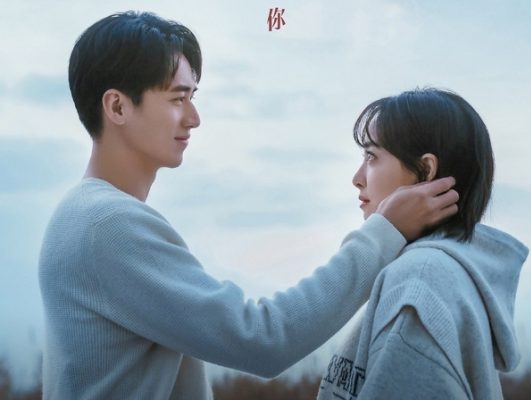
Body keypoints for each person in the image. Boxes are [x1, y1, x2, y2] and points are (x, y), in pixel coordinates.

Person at [38, 12, 459, 399]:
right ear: (117, 106)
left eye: (193, 96)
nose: (194, 117)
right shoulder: (106, 225)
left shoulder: (86, 216)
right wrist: (384, 233)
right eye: (177, 99)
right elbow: (263, 340)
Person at [317, 88, 529, 400]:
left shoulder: (418, 281)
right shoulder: (442, 274)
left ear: (425, 171)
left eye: (371, 156)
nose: (357, 178)